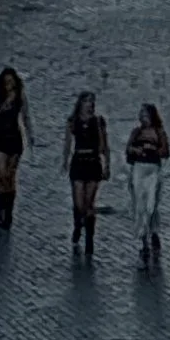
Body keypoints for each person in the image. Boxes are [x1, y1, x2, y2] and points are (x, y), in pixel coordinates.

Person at [65, 89, 111, 257]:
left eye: (92, 102)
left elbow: (104, 145)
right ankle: (78, 223)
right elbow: (67, 143)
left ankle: (89, 238)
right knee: (79, 203)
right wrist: (64, 161)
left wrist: (107, 165)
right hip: (78, 162)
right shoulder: (73, 121)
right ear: (81, 103)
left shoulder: (98, 122)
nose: (90, 105)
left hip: (92, 163)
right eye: (87, 101)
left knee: (89, 202)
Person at [124, 103, 170, 266]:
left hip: (153, 170)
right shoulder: (136, 133)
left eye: (146, 114)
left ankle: (153, 230)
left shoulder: (159, 132)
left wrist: (153, 149)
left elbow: (165, 151)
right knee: (140, 206)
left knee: (151, 205)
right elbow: (128, 150)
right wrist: (134, 150)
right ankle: (144, 239)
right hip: (139, 169)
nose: (143, 118)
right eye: (141, 114)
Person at [0, 65, 30, 232]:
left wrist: (30, 135)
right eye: (6, 83)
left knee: (10, 177)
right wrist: (3, 105)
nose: (8, 86)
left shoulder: (20, 96)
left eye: (11, 82)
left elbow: (26, 116)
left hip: (14, 139)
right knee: (1, 175)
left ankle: (8, 213)